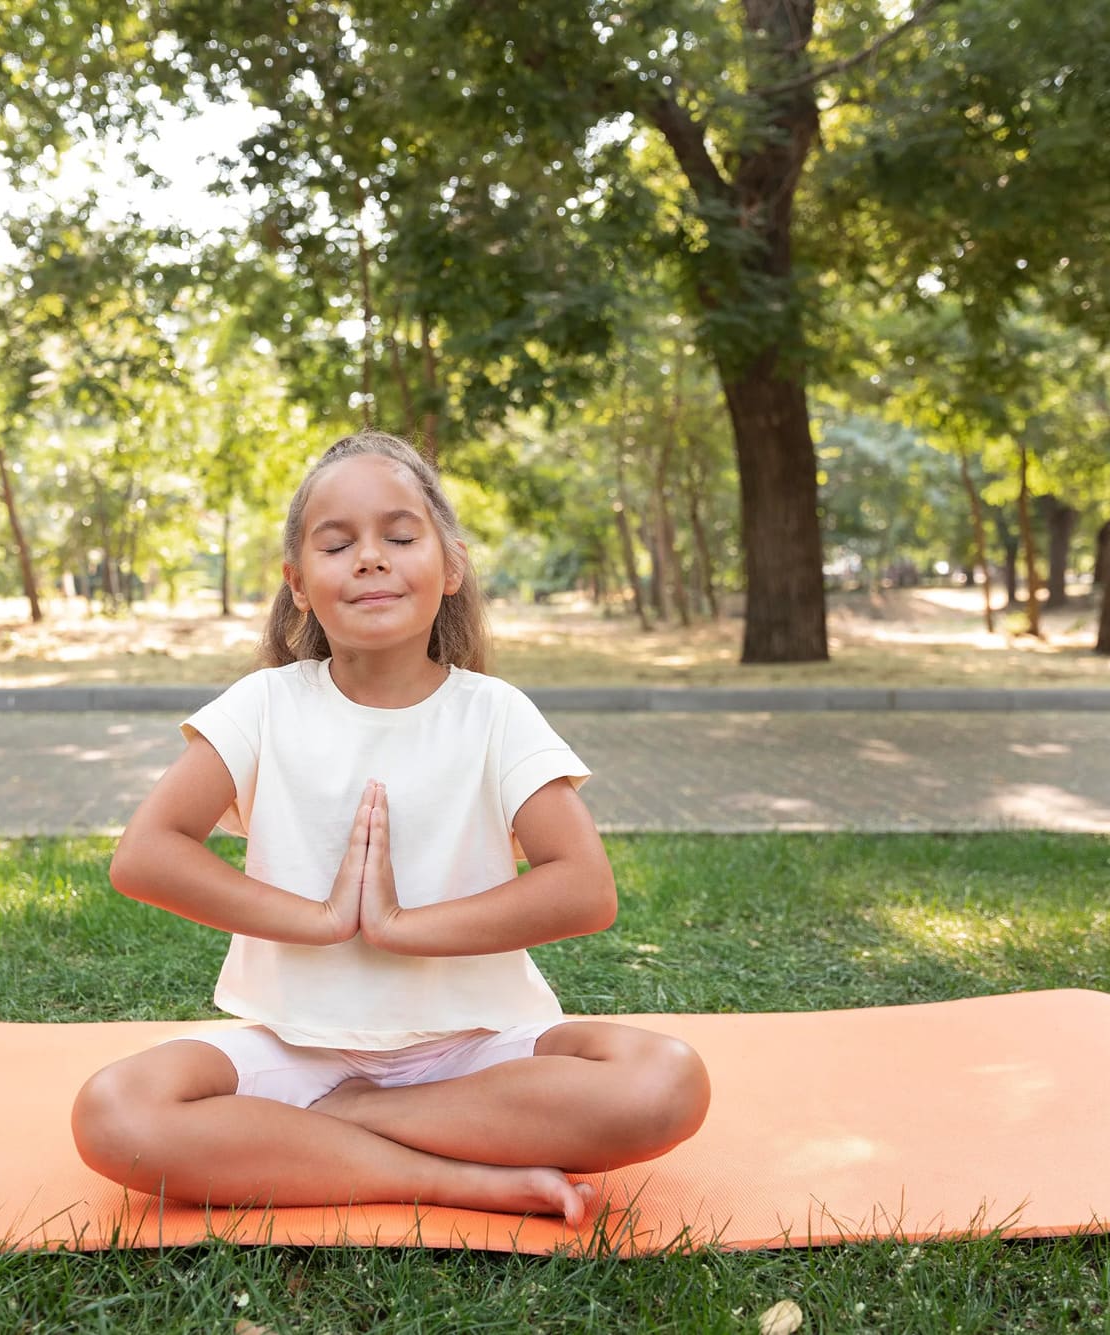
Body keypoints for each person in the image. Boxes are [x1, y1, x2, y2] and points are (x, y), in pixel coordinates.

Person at [72, 429, 710, 1227]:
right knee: (116, 1112)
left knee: (665, 1081)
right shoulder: (265, 705)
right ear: (298, 583)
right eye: (337, 544)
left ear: (451, 565)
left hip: (481, 1058)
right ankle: (450, 1179)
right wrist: (323, 920)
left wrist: (404, 928)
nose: (370, 557)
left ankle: (345, 1125)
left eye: (399, 536)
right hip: (302, 1053)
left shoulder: (493, 713)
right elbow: (146, 855)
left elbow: (585, 889)